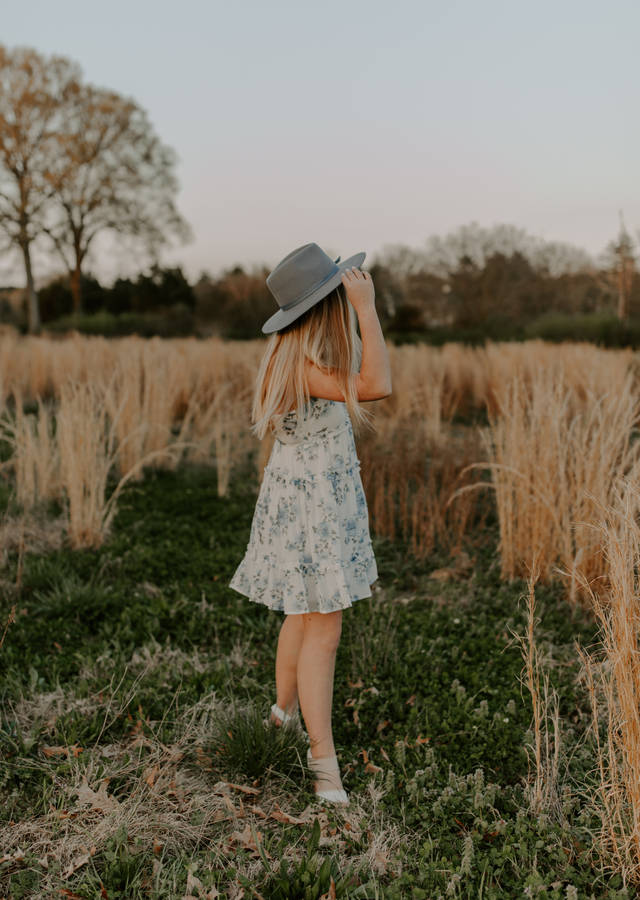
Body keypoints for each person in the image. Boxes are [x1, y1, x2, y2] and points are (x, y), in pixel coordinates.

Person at [228, 242, 392, 805]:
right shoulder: (303, 365)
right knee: (323, 630)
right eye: (339, 297)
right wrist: (368, 311)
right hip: (313, 512)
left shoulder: (295, 356)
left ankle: (282, 716)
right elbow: (377, 385)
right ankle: (323, 761)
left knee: (301, 616)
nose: (345, 302)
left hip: (308, 504)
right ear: (322, 307)